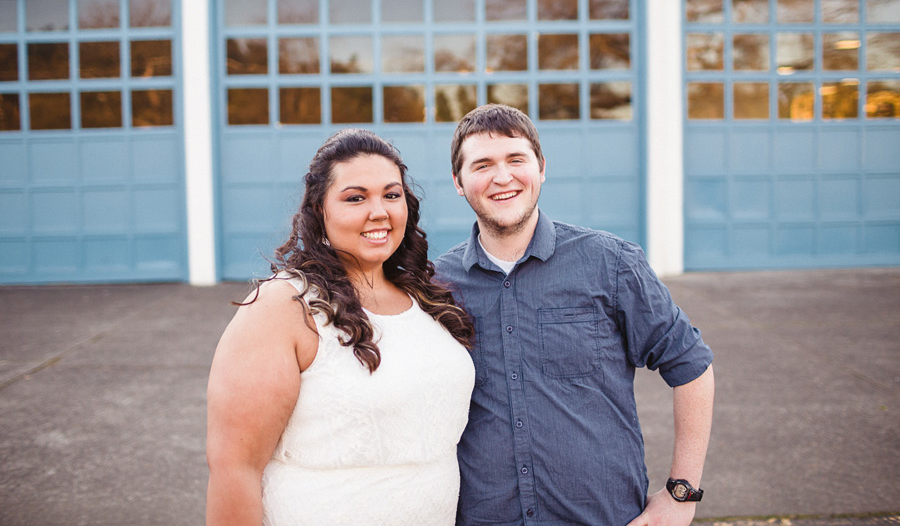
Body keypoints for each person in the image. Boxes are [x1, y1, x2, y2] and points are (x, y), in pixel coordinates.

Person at [433, 104, 715, 526]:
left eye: (516, 159)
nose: (502, 176)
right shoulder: (436, 286)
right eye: (482, 164)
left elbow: (691, 366)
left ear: (541, 167)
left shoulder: (610, 262)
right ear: (459, 182)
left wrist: (682, 493)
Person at [206, 129, 476, 526]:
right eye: (355, 198)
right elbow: (235, 469)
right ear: (319, 212)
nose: (379, 211)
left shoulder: (427, 300)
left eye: (391, 194)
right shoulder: (283, 306)